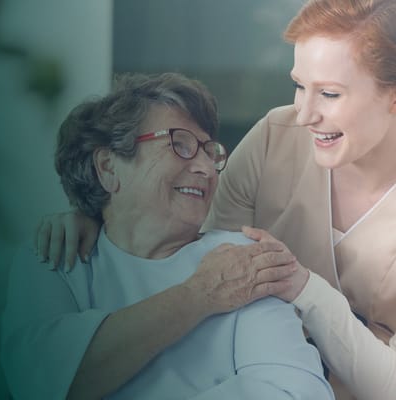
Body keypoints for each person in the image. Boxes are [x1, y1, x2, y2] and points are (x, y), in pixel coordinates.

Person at [34, 0, 396, 398]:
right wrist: (99, 208)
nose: (304, 113)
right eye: (298, 85)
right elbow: (194, 235)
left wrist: (304, 288)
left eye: (329, 93)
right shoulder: (277, 136)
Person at [1, 72, 332, 400]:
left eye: (208, 150)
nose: (205, 167)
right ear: (109, 168)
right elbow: (43, 382)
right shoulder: (56, 256)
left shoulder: (243, 261)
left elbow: (298, 393)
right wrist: (201, 293)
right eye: (181, 145)